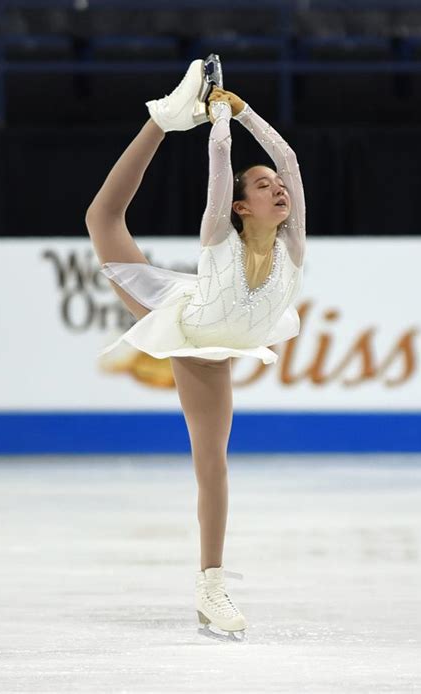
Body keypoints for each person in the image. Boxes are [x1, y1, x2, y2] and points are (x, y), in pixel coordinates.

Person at [85, 57, 306, 641]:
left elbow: (288, 159)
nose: (277, 187)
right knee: (102, 217)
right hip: (188, 324)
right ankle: (160, 120)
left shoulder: (294, 247)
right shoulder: (217, 234)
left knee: (214, 464)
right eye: (261, 187)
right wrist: (215, 121)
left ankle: (210, 584)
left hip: (226, 332)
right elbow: (220, 165)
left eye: (277, 186)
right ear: (239, 207)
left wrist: (244, 109)